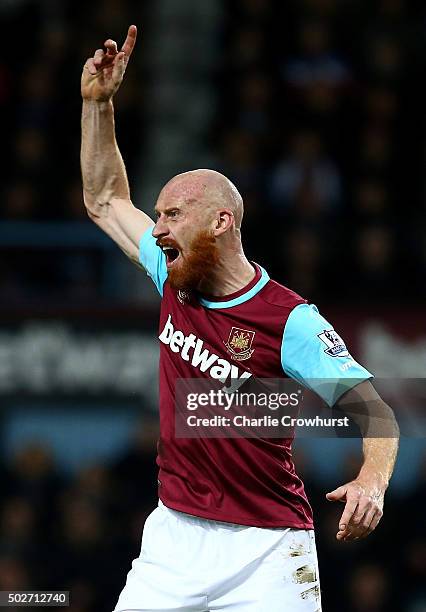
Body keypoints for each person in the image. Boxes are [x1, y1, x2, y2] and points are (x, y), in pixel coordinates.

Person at [80, 25, 399, 612]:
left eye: (173, 214)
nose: (157, 229)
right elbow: (103, 200)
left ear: (221, 223)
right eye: (158, 216)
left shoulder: (291, 321)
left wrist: (372, 482)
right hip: (174, 539)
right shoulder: (172, 275)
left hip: (269, 549)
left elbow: (374, 411)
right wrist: (97, 107)